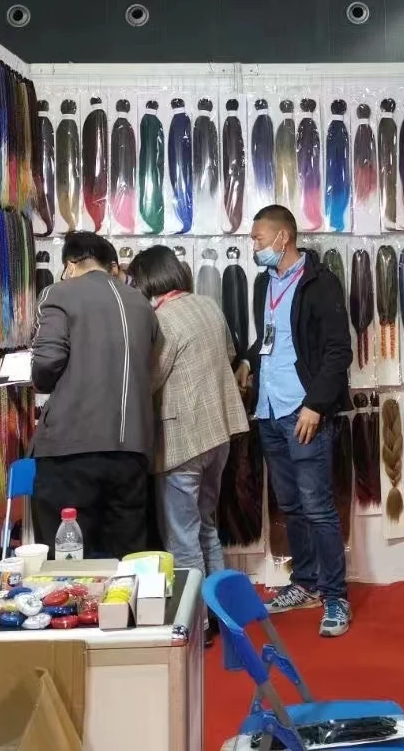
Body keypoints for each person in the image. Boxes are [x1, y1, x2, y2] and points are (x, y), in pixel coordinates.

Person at [245, 204, 353, 637]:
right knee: (290, 505)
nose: (253, 246)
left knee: (318, 507)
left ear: (282, 237)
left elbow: (338, 352)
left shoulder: (320, 283)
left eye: (257, 238)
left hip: (303, 411)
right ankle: (305, 583)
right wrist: (247, 363)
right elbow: (269, 340)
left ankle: (336, 596)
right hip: (269, 410)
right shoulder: (263, 283)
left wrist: (316, 405)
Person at [31, 231, 159, 558]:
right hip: (131, 449)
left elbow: (47, 361)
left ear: (72, 264)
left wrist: (38, 380)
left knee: (67, 558)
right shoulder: (141, 303)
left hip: (71, 448)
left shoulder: (58, 294)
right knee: (127, 559)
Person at [128, 245, 250, 580]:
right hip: (218, 434)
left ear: (147, 280)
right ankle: (217, 606)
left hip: (182, 442)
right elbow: (229, 354)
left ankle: (193, 613)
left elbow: (151, 379)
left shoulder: (162, 319)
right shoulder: (207, 305)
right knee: (206, 528)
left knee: (182, 539)